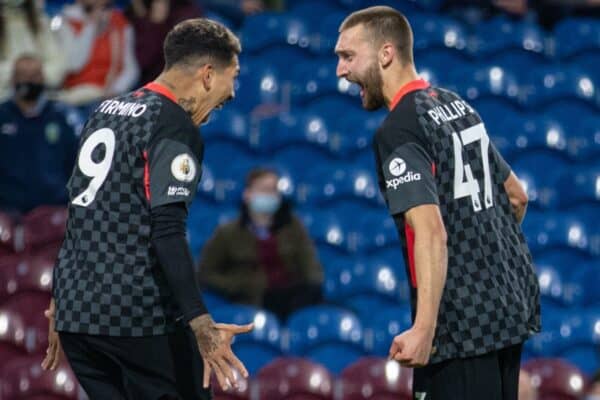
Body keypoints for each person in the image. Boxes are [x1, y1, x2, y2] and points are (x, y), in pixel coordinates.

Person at [334, 6, 540, 400]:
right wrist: (486, 263)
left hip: (461, 328)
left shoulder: (399, 128)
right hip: (508, 309)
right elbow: (516, 195)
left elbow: (430, 231)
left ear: (386, 54)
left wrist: (425, 328)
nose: (340, 71)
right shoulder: (455, 104)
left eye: (347, 56)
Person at [42, 18, 253, 399]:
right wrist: (201, 325)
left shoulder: (105, 109)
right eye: (232, 77)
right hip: (137, 317)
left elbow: (80, 211)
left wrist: (61, 301)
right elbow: (167, 231)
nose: (233, 93)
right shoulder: (172, 125)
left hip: (79, 318)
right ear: (207, 75)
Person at [198, 167, 323, 321]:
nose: (269, 195)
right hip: (255, 302)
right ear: (248, 195)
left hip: (294, 299)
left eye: (273, 190)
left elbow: (310, 267)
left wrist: (312, 288)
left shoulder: (294, 227)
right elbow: (206, 273)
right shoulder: (228, 233)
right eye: (264, 190)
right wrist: (239, 285)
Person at [0, 54, 79, 214]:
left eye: (34, 76)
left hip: (54, 208)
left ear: (43, 78)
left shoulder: (61, 116)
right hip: (7, 209)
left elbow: (75, 163)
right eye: (23, 75)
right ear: (13, 79)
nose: (29, 81)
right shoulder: (2, 115)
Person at [56, 0, 139, 106]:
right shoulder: (66, 21)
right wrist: (90, 27)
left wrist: (116, 90)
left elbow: (131, 68)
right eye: (91, 7)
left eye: (106, 6)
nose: (99, 12)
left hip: (106, 96)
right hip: (73, 94)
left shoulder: (120, 24)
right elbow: (73, 64)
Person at [125, 0, 203, 86]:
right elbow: (138, 62)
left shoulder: (186, 11)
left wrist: (155, 25)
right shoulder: (133, 12)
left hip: (168, 81)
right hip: (138, 79)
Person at [0, 0, 65, 102]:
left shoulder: (41, 21)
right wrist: (19, 73)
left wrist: (34, 74)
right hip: (4, 97)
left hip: (42, 95)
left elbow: (58, 65)